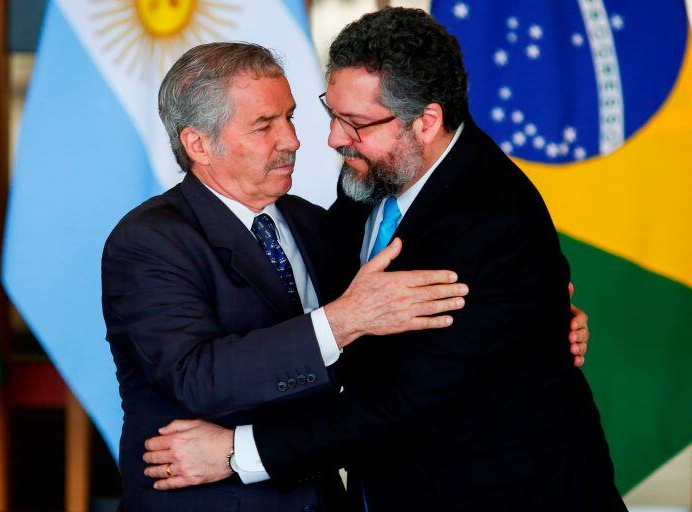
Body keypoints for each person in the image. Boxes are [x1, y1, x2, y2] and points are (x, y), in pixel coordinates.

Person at [141, 8, 621, 512]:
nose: (330, 138)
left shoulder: (490, 223)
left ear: (426, 121)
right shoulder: (378, 175)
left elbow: (405, 402)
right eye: (332, 113)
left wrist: (239, 453)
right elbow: (317, 305)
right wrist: (536, 321)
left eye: (355, 123)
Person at [101, 41, 474, 512]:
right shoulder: (150, 240)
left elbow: (393, 315)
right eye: (264, 125)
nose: (292, 140)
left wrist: (529, 315)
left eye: (290, 117)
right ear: (198, 143)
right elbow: (196, 378)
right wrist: (341, 321)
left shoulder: (315, 223)